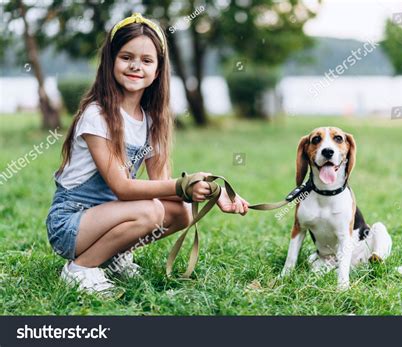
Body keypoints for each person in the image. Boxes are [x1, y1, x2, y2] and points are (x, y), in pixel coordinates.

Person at [45, 13, 249, 295]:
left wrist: (215, 193)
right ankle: (81, 268)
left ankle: (112, 255)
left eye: (146, 60)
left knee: (181, 212)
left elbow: (161, 185)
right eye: (126, 57)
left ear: (158, 70)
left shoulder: (152, 120)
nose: (135, 66)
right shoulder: (98, 115)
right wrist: (185, 184)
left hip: (107, 218)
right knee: (151, 210)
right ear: (110, 61)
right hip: (71, 223)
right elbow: (122, 187)